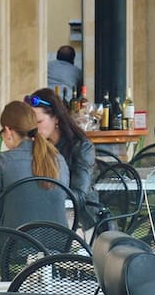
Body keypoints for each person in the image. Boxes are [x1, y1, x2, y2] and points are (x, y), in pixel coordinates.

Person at [0, 100, 70, 229]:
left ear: (7, 130)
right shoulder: (58, 159)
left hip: (13, 246)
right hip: (58, 245)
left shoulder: (3, 161)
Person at [27, 86, 101, 225]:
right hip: (46, 215)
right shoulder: (35, 145)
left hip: (80, 219)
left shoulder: (82, 147)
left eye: (39, 122)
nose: (34, 129)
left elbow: (79, 196)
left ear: (55, 119)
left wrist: (42, 195)